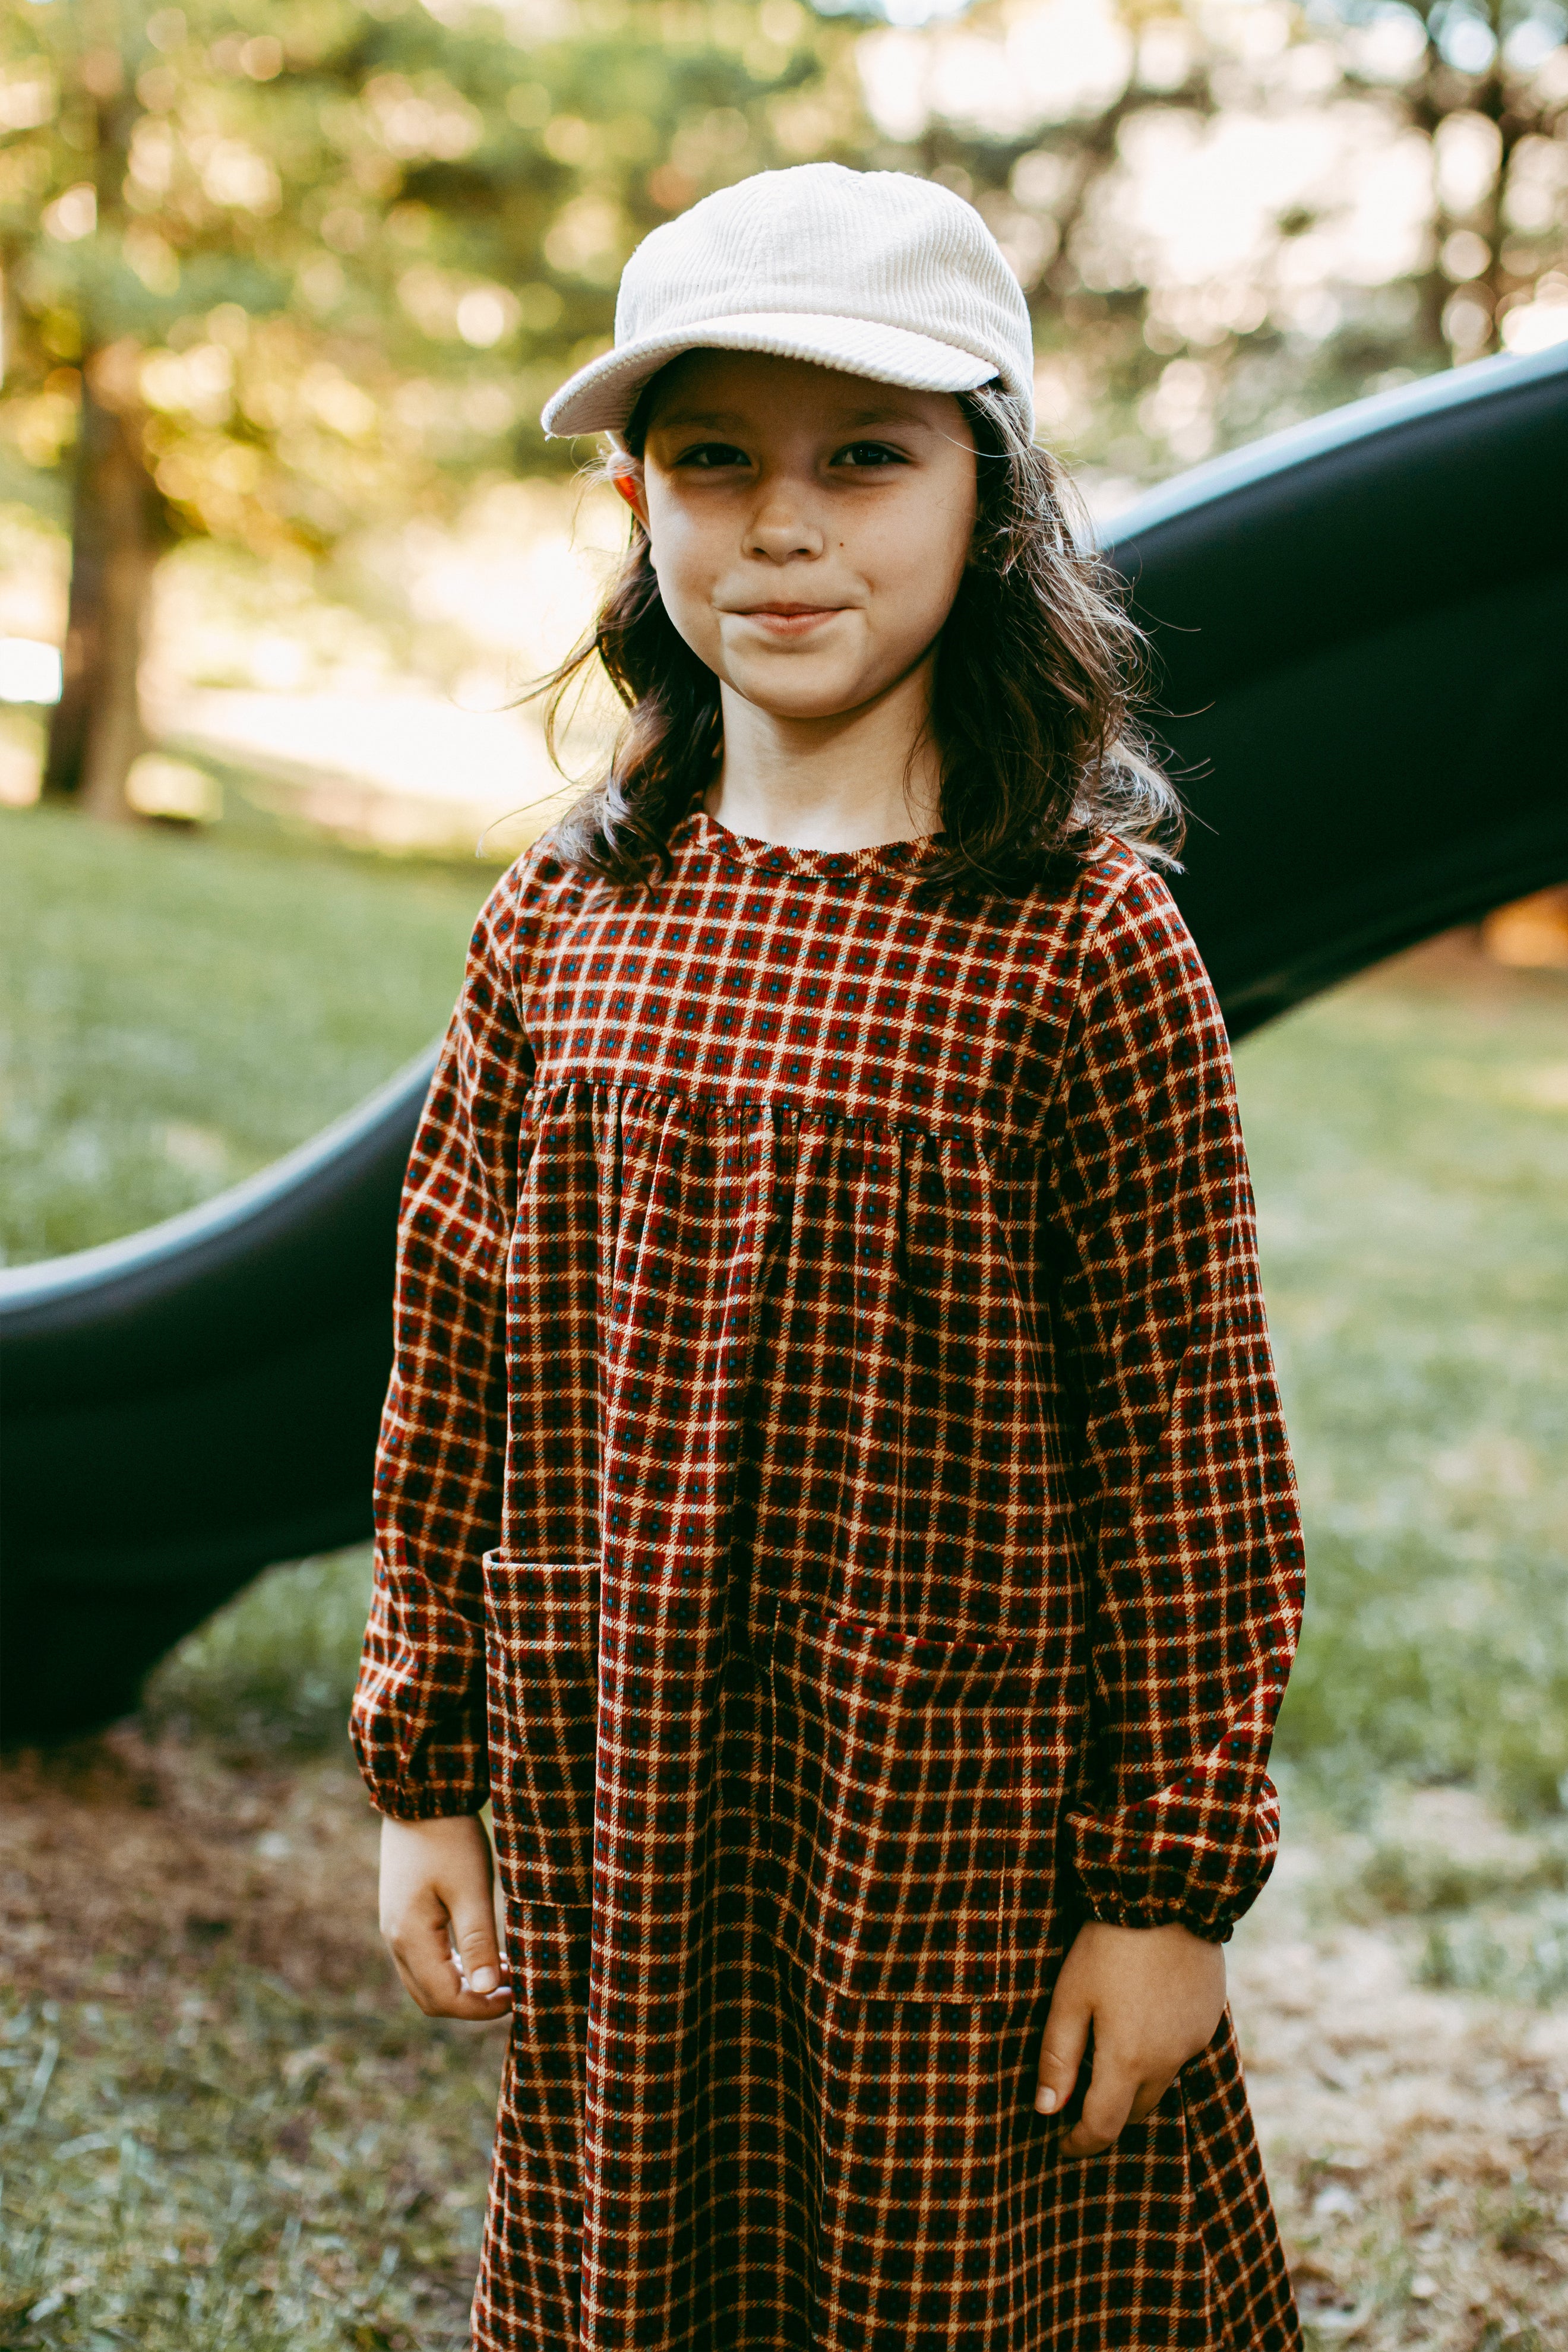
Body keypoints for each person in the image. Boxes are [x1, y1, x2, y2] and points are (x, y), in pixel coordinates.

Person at [352, 162, 1305, 2351]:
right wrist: (430, 1767)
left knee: (953, 2289)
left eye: (866, 457)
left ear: (998, 491)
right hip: (631, 1795)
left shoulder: (1082, 938)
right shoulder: (558, 930)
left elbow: (1194, 1449)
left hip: (953, 1826)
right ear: (635, 505)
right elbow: (452, 1366)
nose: (785, 527)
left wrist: (1166, 1893)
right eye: (717, 461)